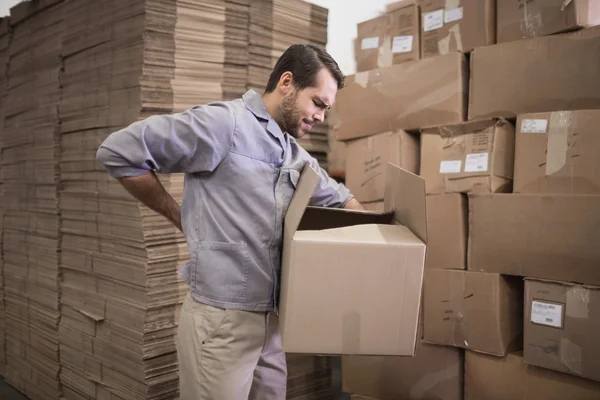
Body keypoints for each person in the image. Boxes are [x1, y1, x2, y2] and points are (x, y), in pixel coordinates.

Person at [96, 44, 363, 399]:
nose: (321, 117)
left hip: (270, 324)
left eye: (326, 109)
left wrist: (383, 239)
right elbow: (119, 151)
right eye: (317, 103)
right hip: (221, 322)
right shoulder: (224, 125)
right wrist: (179, 215)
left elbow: (340, 198)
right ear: (287, 83)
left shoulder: (291, 151)